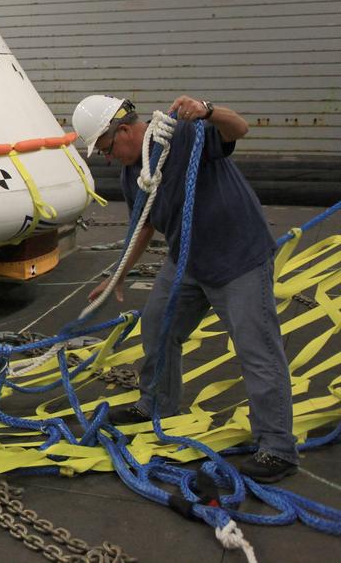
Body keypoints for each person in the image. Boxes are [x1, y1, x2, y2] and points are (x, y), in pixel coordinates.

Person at [73, 94, 298, 483]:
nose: (108, 158)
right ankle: (156, 404)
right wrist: (119, 274)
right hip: (189, 261)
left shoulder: (185, 136)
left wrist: (210, 111)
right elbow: (143, 224)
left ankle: (277, 448)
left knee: (257, 350)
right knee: (158, 326)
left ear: (124, 131)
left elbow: (238, 129)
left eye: (107, 148)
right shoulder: (134, 172)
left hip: (238, 258)